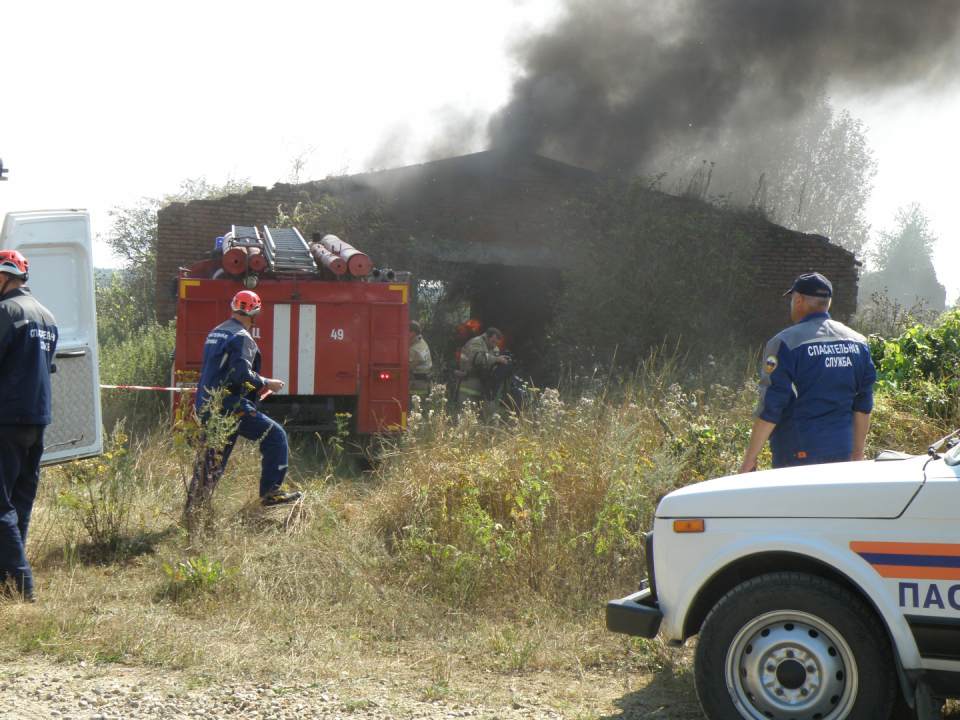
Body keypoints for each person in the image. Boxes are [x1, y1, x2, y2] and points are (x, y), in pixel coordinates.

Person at [738, 272, 877, 473]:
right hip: (842, 451)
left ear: (799, 300)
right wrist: (857, 454)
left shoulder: (785, 343)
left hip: (797, 453)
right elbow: (863, 405)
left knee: (796, 505)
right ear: (827, 303)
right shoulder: (859, 342)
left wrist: (750, 459)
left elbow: (771, 405)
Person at [186, 290, 301, 516]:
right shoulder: (242, 337)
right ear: (256, 312)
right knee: (275, 436)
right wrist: (268, 382)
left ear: (234, 307)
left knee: (211, 462)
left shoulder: (216, 332)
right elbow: (240, 374)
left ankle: (193, 512)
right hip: (230, 406)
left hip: (208, 405)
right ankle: (272, 494)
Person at [0, 250, 57, 602]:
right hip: (36, 419)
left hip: (6, 418)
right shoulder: (46, 315)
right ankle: (7, 586)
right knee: (19, 501)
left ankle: (21, 588)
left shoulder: (6, 312)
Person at [457, 327, 510, 414]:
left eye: (496, 343)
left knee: (486, 421)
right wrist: (496, 359)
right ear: (486, 336)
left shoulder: (495, 349)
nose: (494, 345)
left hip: (484, 390)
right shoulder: (476, 342)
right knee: (466, 419)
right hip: (468, 387)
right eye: (492, 342)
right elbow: (476, 357)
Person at [408, 321, 433, 406]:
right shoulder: (421, 342)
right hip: (424, 385)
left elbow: (405, 368)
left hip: (416, 389)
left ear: (413, 333)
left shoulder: (414, 350)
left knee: (413, 411)